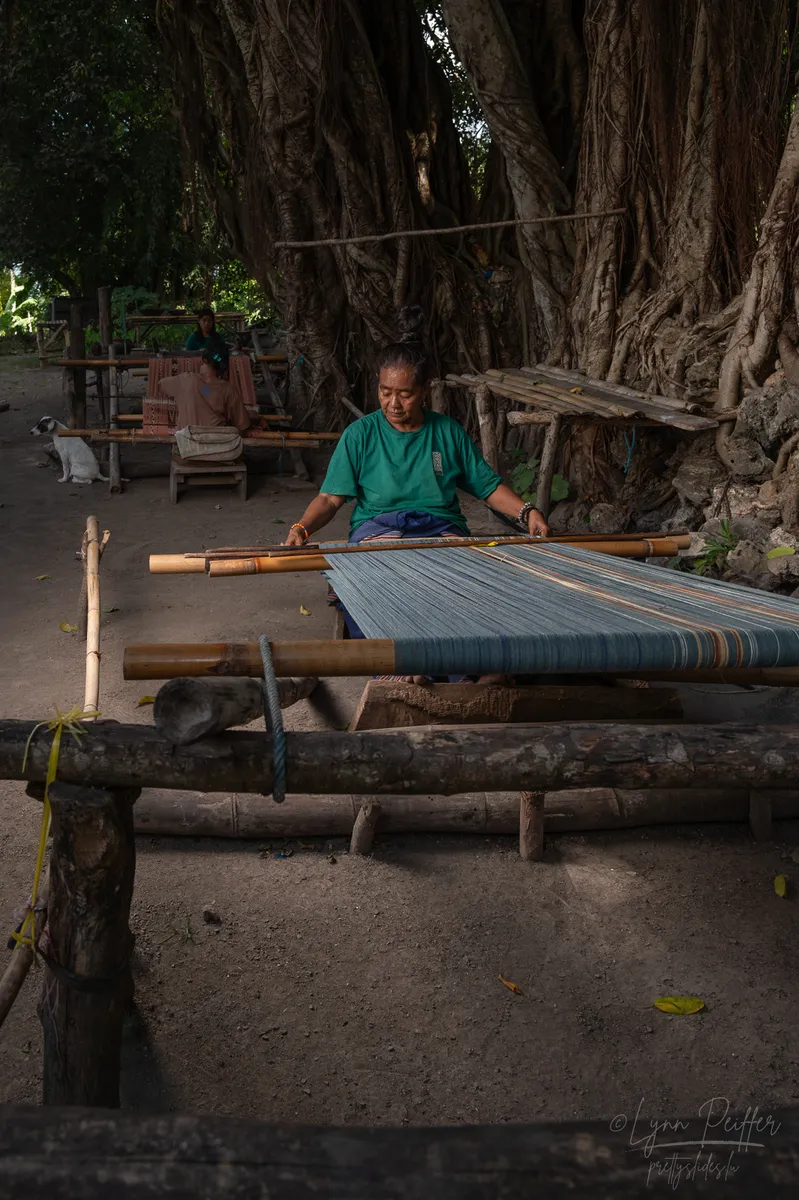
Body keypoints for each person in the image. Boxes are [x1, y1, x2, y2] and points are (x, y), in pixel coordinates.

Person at [285, 306, 549, 552]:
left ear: (424, 390)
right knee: (379, 584)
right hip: (378, 529)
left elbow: (488, 488)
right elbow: (331, 499)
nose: (393, 404)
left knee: (462, 582)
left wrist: (528, 512)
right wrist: (301, 528)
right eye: (385, 392)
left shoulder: (447, 432)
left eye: (405, 394)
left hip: (441, 528)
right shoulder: (360, 435)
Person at [157, 348, 251, 432]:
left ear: (204, 361)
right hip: (215, 444)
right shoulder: (228, 389)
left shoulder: (186, 380)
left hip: (186, 445)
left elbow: (161, 384)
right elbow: (242, 425)